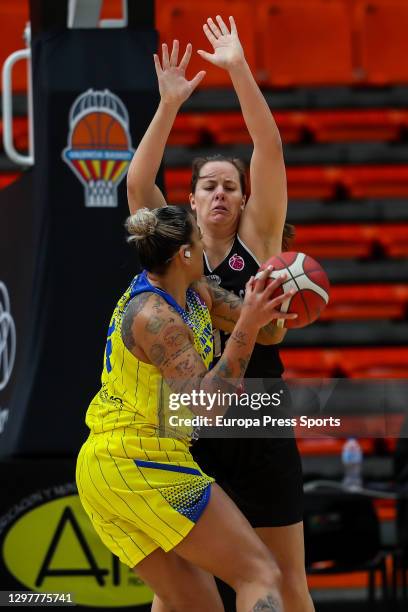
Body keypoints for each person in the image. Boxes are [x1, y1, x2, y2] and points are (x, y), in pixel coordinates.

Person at [127, 15, 314, 612]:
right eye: (208, 185)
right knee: (184, 591)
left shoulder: (257, 237)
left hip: (259, 414)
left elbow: (270, 147)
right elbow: (136, 185)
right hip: (192, 423)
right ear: (189, 199)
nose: (219, 194)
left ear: (243, 198)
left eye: (230, 186)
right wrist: (168, 105)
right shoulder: (173, 245)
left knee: (288, 583)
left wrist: (237, 70)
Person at [76, 205, 299, 612]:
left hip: (112, 466)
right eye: (199, 239)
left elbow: (269, 329)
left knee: (197, 606)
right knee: (259, 574)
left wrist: (280, 297)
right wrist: (247, 325)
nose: (205, 245)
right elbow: (207, 408)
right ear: (184, 254)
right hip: (138, 457)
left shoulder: (194, 293)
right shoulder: (154, 317)